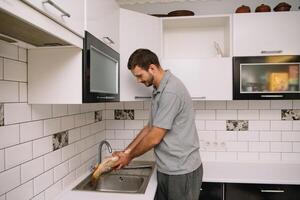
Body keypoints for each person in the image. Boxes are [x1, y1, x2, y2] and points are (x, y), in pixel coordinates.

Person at [113, 48, 203, 200]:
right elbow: (149, 128)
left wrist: (129, 158)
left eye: (139, 75)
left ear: (152, 68)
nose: (138, 81)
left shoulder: (170, 92)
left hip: (181, 170)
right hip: (167, 168)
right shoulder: (158, 89)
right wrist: (125, 152)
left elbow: (154, 137)